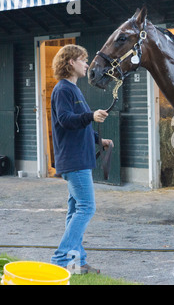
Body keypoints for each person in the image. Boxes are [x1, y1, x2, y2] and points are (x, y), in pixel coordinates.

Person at [50, 44, 113, 274]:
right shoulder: (63, 90)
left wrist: (99, 140)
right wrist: (91, 115)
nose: (87, 64)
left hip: (78, 158)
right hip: (74, 160)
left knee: (75, 209)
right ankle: (59, 260)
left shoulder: (73, 90)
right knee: (87, 207)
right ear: (70, 63)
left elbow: (80, 125)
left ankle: (76, 263)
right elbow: (66, 120)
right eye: (82, 60)